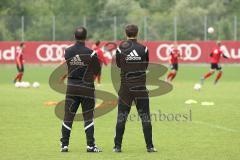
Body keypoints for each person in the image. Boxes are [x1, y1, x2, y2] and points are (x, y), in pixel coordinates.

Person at [113, 24, 157, 153]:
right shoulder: (144, 49)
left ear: (125, 33)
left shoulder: (120, 48)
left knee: (121, 117)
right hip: (140, 88)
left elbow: (119, 65)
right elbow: (145, 65)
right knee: (145, 117)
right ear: (137, 33)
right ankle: (150, 146)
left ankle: (117, 146)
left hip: (125, 88)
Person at [60, 27, 102, 153]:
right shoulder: (92, 53)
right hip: (87, 88)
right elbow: (97, 70)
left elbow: (69, 67)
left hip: (72, 87)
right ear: (86, 37)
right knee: (88, 117)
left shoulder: (67, 52)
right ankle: (90, 146)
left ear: (74, 36)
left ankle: (64, 145)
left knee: (68, 116)